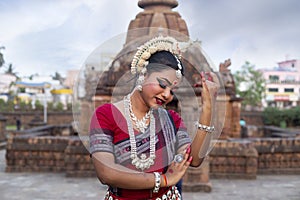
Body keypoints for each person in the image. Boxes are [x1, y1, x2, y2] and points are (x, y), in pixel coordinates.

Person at [89, 36, 219, 200]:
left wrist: (208, 106)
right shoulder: (106, 115)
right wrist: (164, 179)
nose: (167, 95)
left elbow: (193, 159)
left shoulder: (171, 119)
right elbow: (107, 173)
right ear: (143, 74)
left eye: (173, 91)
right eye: (163, 84)